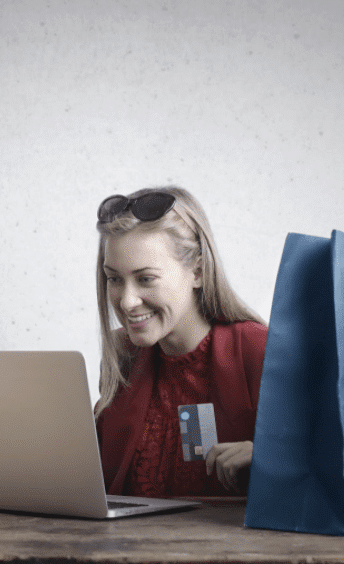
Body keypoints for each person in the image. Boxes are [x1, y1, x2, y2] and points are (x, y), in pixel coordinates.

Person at [94, 186, 267, 497]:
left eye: (145, 278)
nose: (127, 301)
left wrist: (271, 458)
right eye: (114, 279)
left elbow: (333, 458)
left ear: (198, 272)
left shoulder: (257, 350)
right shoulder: (124, 357)